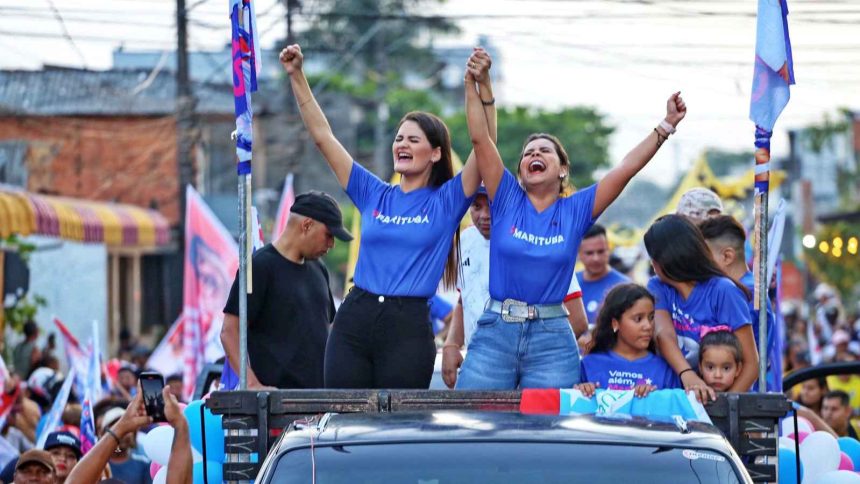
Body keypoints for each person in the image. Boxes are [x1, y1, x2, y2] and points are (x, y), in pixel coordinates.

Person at [459, 50, 687, 389]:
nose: (534, 154)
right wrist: (472, 83)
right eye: (528, 153)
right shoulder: (504, 197)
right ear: (520, 169)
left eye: (544, 151)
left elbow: (625, 169)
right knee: (474, 427)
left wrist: (666, 125)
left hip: (552, 340)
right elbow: (481, 139)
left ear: (562, 169)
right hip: (495, 333)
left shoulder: (576, 209)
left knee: (550, 435)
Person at [280, 44, 496, 389]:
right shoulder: (374, 192)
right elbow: (324, 138)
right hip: (355, 317)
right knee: (343, 422)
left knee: (393, 428)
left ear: (436, 153)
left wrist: (480, 87)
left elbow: (483, 145)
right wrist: (297, 75)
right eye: (399, 138)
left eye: (413, 139)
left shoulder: (448, 200)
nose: (402, 144)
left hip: (407, 326)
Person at [441, 186, 588, 388]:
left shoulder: (538, 237)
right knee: (473, 418)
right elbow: (463, 300)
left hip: (535, 367)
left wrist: (528, 361)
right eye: (476, 206)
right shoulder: (465, 240)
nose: (484, 215)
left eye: (491, 206)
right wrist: (452, 344)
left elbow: (578, 320)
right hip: (482, 360)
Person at [221, 191, 352, 390]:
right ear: (307, 225)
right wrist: (252, 384)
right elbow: (230, 331)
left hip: (320, 401)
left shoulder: (319, 269)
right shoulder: (259, 267)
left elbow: (330, 331)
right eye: (329, 235)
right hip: (277, 407)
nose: (331, 244)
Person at [644, 214, 759, 401]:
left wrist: (723, 407)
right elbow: (663, 334)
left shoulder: (723, 291)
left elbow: (751, 364)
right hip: (677, 400)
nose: (652, 264)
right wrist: (687, 374)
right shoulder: (657, 287)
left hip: (722, 404)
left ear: (665, 260)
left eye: (653, 257)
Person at [698, 215, 778, 390]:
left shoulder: (740, 294)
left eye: (703, 258)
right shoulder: (749, 289)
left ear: (727, 256)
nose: (699, 266)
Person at [575, 284, 679, 398]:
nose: (648, 326)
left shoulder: (664, 369)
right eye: (638, 319)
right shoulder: (589, 364)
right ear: (615, 323)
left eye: (651, 317)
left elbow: (674, 409)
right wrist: (583, 390)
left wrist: (653, 398)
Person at [68, 389, 191, 484]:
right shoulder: (102, 466)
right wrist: (180, 425)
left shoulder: (142, 462)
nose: (125, 437)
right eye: (110, 425)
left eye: (129, 433)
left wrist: (120, 429)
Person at [576, 224, 631, 326]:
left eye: (601, 251)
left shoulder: (625, 286)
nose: (596, 258)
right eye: (589, 253)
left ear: (609, 250)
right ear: (578, 253)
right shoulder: (570, 285)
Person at [99, 405, 151, 484]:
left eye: (127, 430)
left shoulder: (144, 462)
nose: (121, 435)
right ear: (103, 434)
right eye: (115, 429)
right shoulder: (97, 464)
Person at [697, 328, 742, 392]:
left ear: (738, 369)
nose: (718, 375)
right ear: (700, 367)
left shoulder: (750, 401)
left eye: (726, 368)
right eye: (710, 367)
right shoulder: (689, 398)